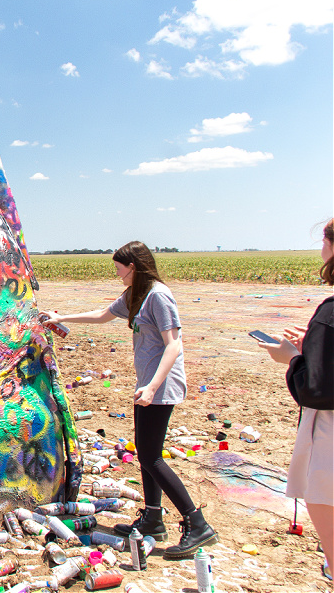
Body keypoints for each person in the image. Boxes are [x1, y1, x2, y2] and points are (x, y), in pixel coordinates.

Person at [43, 240, 217, 559]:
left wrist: (152, 386)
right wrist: (61, 316)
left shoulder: (158, 296)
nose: (118, 275)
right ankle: (153, 518)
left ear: (133, 267)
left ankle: (197, 523)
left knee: (152, 456)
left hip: (160, 386)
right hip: (146, 386)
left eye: (119, 269)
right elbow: (101, 315)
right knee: (145, 453)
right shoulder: (134, 295)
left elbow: (174, 345)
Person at [257, 218, 333, 581]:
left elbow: (315, 389)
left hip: (330, 437)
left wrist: (293, 358)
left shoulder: (330, 312)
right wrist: (314, 346)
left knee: (322, 500)